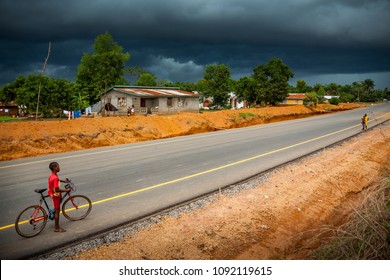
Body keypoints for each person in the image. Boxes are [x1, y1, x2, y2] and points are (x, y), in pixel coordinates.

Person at [48, 162, 70, 232]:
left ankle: (54, 212)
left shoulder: (52, 175)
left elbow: (57, 180)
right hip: (55, 195)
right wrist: (66, 190)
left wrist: (63, 180)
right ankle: (57, 228)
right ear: (54, 167)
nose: (59, 167)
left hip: (51, 193)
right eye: (58, 166)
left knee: (56, 209)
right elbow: (56, 189)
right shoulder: (55, 178)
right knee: (57, 211)